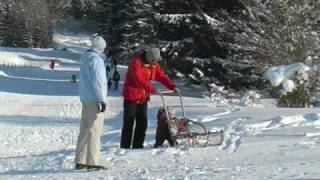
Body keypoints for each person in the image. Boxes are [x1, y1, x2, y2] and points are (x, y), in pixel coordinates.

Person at [120, 47, 180, 149]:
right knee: (129, 123)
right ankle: (125, 147)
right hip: (131, 97)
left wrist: (172, 86)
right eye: (152, 60)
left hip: (143, 98)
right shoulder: (136, 63)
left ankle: (137, 146)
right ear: (148, 57)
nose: (154, 63)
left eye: (155, 61)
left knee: (142, 123)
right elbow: (139, 80)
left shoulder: (153, 65)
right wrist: (152, 89)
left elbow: (161, 76)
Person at [75, 35, 108, 170]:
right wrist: (102, 99)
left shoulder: (85, 58)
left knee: (85, 129)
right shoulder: (96, 60)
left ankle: (80, 159)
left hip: (85, 98)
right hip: (94, 99)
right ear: (101, 48)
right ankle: (93, 161)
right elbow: (98, 81)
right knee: (94, 130)